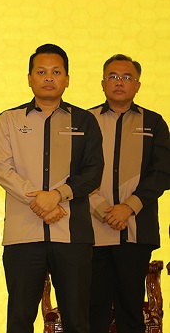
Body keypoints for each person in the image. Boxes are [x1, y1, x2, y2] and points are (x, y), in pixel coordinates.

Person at [0, 44, 104, 333]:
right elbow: (3, 169)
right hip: (22, 235)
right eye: (41, 72)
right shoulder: (9, 119)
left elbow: (93, 173)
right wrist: (40, 202)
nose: (49, 78)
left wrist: (56, 196)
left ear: (67, 79)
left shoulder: (85, 121)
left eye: (56, 72)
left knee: (77, 321)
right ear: (29, 78)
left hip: (72, 235)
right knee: (19, 320)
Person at [88, 54, 170, 333]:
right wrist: (102, 209)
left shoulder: (154, 123)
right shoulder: (84, 121)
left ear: (137, 85)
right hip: (91, 231)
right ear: (102, 83)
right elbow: (73, 173)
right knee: (93, 312)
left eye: (127, 77)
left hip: (136, 230)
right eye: (113, 76)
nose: (119, 82)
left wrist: (128, 207)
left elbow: (162, 172)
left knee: (131, 312)